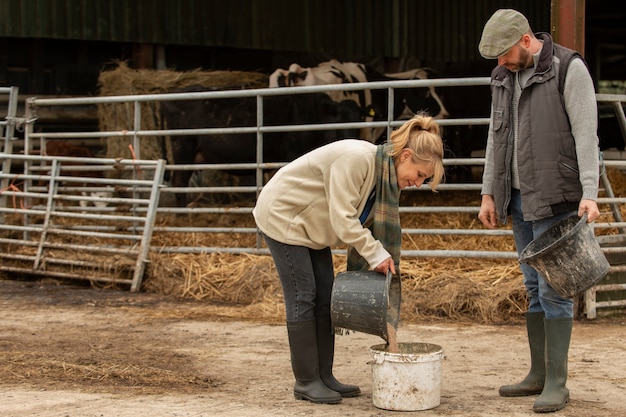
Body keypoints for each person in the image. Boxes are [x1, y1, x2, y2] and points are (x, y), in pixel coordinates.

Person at [253, 114, 445, 404]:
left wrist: (377, 251)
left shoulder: (382, 177)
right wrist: (376, 253)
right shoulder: (357, 159)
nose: (418, 183)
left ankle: (325, 376)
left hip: (311, 226)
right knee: (303, 294)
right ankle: (306, 381)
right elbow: (343, 218)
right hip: (284, 216)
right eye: (419, 175)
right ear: (405, 156)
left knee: (325, 297)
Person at [477, 9, 600, 414]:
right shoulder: (503, 78)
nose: (500, 63)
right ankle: (537, 373)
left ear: (526, 40)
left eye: (504, 53)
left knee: (554, 288)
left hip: (554, 195)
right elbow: (496, 137)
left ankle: (557, 383)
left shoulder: (568, 68)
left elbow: (586, 132)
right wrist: (489, 194)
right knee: (532, 286)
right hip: (517, 196)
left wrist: (589, 191)